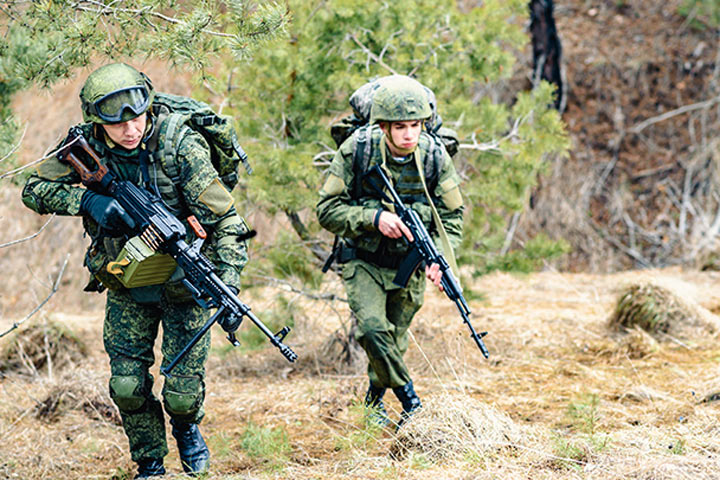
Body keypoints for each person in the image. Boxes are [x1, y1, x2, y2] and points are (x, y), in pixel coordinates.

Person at [21, 63, 250, 478]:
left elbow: (228, 223)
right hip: (127, 282)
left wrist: (229, 281)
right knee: (127, 386)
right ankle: (149, 461)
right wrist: (86, 203)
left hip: (186, 285)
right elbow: (33, 189)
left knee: (181, 394)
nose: (130, 130)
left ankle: (185, 427)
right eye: (117, 123)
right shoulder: (86, 144)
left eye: (137, 118)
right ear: (97, 121)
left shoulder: (179, 144)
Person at [316, 76, 464, 426]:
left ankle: (372, 402)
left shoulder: (434, 156)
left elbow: (452, 217)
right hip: (363, 259)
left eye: (415, 126)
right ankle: (411, 403)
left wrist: (440, 260)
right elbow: (326, 210)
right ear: (383, 126)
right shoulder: (357, 149)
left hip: (408, 265)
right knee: (371, 330)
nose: (410, 135)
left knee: (393, 343)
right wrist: (373, 217)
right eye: (400, 127)